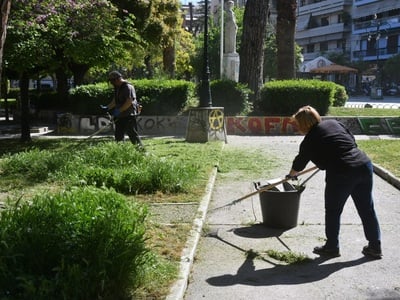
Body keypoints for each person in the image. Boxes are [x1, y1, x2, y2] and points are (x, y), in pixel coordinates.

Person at [287, 105, 382, 259]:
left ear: (303, 124)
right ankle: (375, 246)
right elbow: (350, 140)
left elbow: (299, 163)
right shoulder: (333, 123)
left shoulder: (309, 140)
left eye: (297, 124)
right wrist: (329, 157)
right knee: (367, 208)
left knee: (333, 210)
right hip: (363, 165)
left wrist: (291, 175)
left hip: (341, 172)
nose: (296, 127)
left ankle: (332, 247)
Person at [102, 71, 143, 148]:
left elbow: (129, 101)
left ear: (117, 79)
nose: (111, 83)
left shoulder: (127, 87)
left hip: (129, 115)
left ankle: (142, 152)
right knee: (118, 136)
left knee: (132, 135)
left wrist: (119, 110)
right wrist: (107, 107)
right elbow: (115, 100)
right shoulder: (118, 88)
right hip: (120, 116)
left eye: (112, 81)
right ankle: (120, 152)